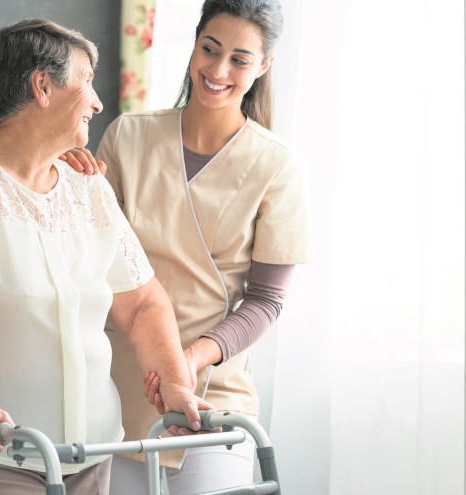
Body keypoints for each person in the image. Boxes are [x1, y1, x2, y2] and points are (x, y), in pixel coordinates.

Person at [0, 18, 207, 495]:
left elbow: (143, 303)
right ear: (43, 86)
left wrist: (175, 382)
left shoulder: (87, 187)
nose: (98, 102)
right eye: (87, 81)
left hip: (92, 451)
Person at [63, 0, 313, 492]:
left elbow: (265, 301)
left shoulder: (278, 167)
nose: (218, 70)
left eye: (240, 59)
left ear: (264, 67)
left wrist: (188, 359)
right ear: (195, 42)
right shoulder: (128, 137)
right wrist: (65, 179)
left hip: (213, 398)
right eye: (210, 49)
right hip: (120, 390)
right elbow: (84, 259)